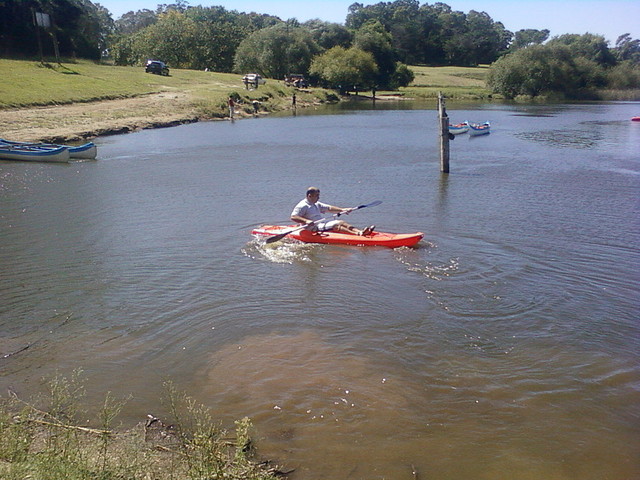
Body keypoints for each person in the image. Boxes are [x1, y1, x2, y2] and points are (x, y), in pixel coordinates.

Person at [291, 187, 375, 236]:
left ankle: (359, 231)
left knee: (341, 221)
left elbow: (329, 208)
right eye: (317, 196)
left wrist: (343, 209)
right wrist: (306, 221)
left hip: (320, 224)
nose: (318, 197)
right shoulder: (302, 205)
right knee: (336, 224)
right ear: (310, 196)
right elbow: (293, 217)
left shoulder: (316, 203)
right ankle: (357, 235)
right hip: (311, 228)